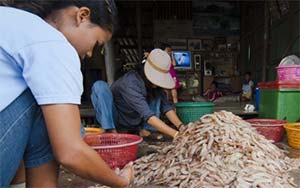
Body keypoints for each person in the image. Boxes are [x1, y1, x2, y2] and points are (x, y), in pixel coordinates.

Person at [0, 1, 134, 187]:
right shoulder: (52, 42)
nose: (89, 53)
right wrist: (122, 182)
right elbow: (71, 153)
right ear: (82, 16)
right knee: (50, 112)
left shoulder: (14, 20)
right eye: (96, 44)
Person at [91, 49, 185, 138]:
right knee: (100, 86)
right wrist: (176, 134)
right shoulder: (130, 82)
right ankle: (110, 130)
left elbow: (167, 108)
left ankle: (146, 131)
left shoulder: (155, 88)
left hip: (135, 121)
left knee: (157, 95)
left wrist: (181, 127)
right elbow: (148, 116)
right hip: (118, 118)